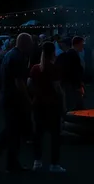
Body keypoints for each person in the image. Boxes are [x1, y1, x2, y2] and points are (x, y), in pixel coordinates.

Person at [0, 33, 34, 173]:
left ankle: (10, 162)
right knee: (12, 131)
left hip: (8, 97)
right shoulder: (17, 57)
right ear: (24, 43)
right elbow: (19, 82)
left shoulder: (10, 54)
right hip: (14, 99)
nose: (31, 46)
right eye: (30, 43)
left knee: (13, 132)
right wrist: (28, 100)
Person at [28, 41, 66, 173]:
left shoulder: (35, 68)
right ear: (53, 53)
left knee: (38, 134)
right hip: (52, 106)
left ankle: (37, 162)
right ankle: (54, 164)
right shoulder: (54, 68)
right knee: (55, 135)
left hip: (38, 104)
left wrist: (35, 95)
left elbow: (29, 83)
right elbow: (57, 89)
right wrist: (63, 105)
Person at [55, 37, 85, 111]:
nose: (83, 46)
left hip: (70, 84)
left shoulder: (71, 53)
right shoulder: (72, 54)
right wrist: (79, 86)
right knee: (75, 106)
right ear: (77, 44)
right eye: (81, 44)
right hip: (72, 86)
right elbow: (74, 72)